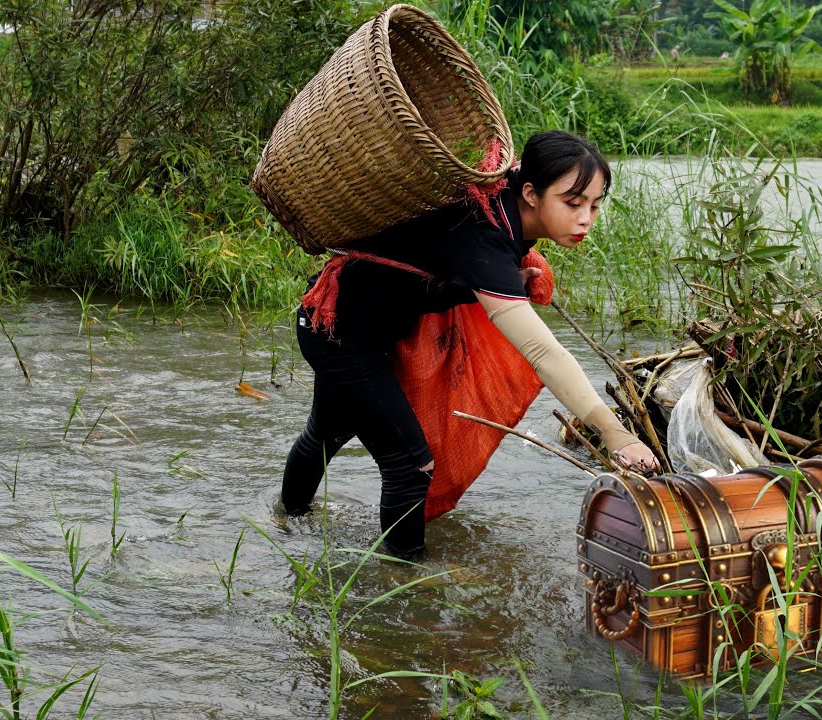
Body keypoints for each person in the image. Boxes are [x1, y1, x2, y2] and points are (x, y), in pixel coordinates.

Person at [281, 130, 660, 560]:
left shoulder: (501, 209)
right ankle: (405, 584)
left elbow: (431, 262)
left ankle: (288, 525)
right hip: (337, 329)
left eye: (594, 204)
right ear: (531, 192)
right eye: (572, 203)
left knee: (329, 430)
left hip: (360, 322)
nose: (585, 217)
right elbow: (544, 353)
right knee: (410, 465)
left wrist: (495, 284)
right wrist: (614, 432)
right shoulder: (485, 236)